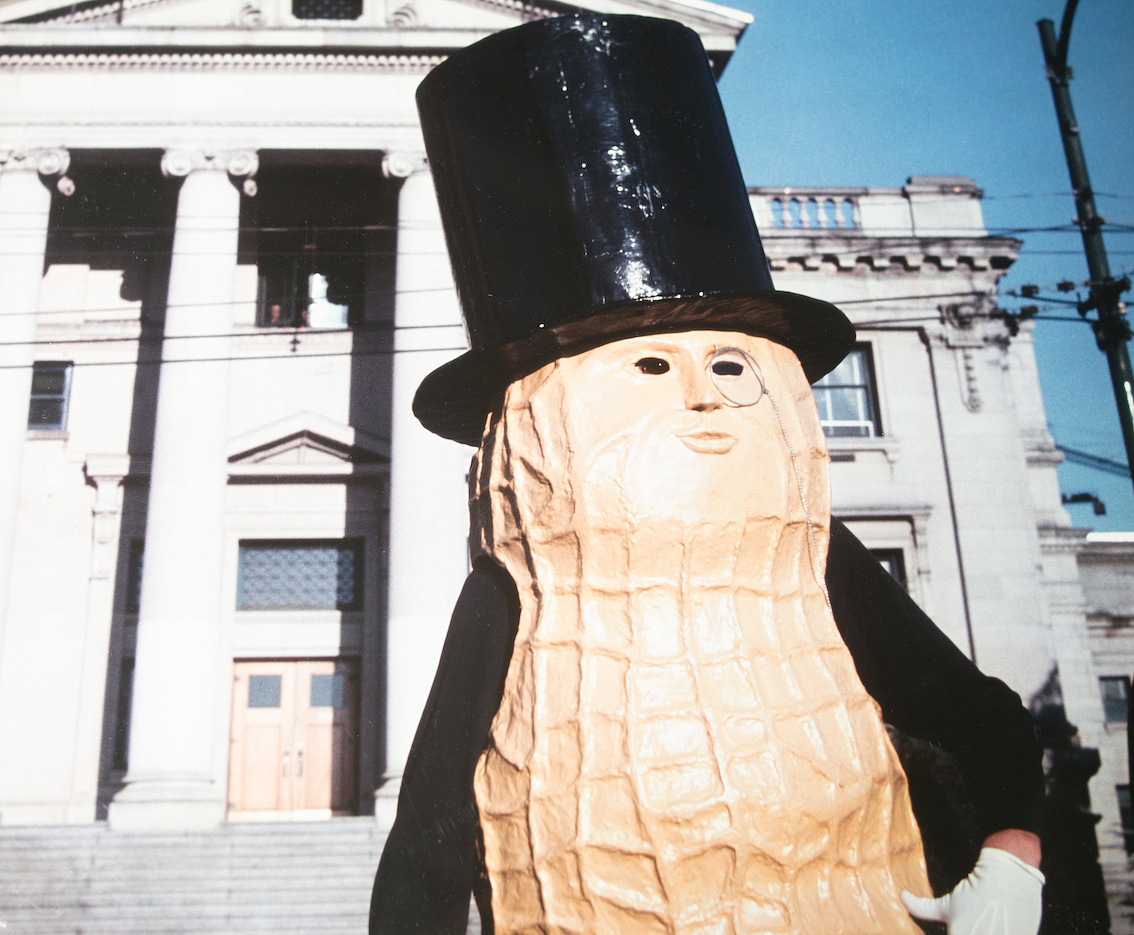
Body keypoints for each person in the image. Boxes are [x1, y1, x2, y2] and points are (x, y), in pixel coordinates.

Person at [370, 15, 1044, 935]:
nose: (704, 398)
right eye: (649, 368)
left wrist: (1014, 855)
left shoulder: (810, 559)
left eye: (731, 366)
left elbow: (978, 713)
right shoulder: (516, 592)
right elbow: (432, 828)